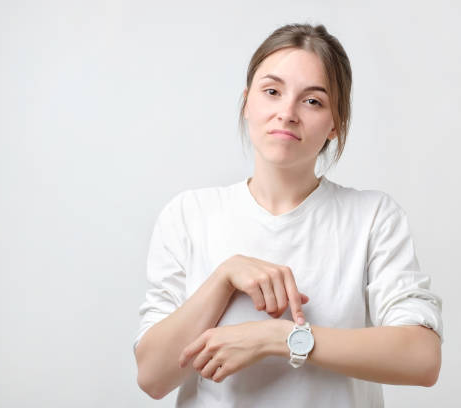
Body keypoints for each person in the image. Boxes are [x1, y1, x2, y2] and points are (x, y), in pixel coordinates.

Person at [133, 22, 444, 407]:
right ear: (247, 101)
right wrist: (223, 278)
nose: (287, 113)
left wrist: (277, 339)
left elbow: (422, 358)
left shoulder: (373, 217)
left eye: (312, 100)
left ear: (336, 124)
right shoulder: (189, 215)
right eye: (272, 92)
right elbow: (152, 376)